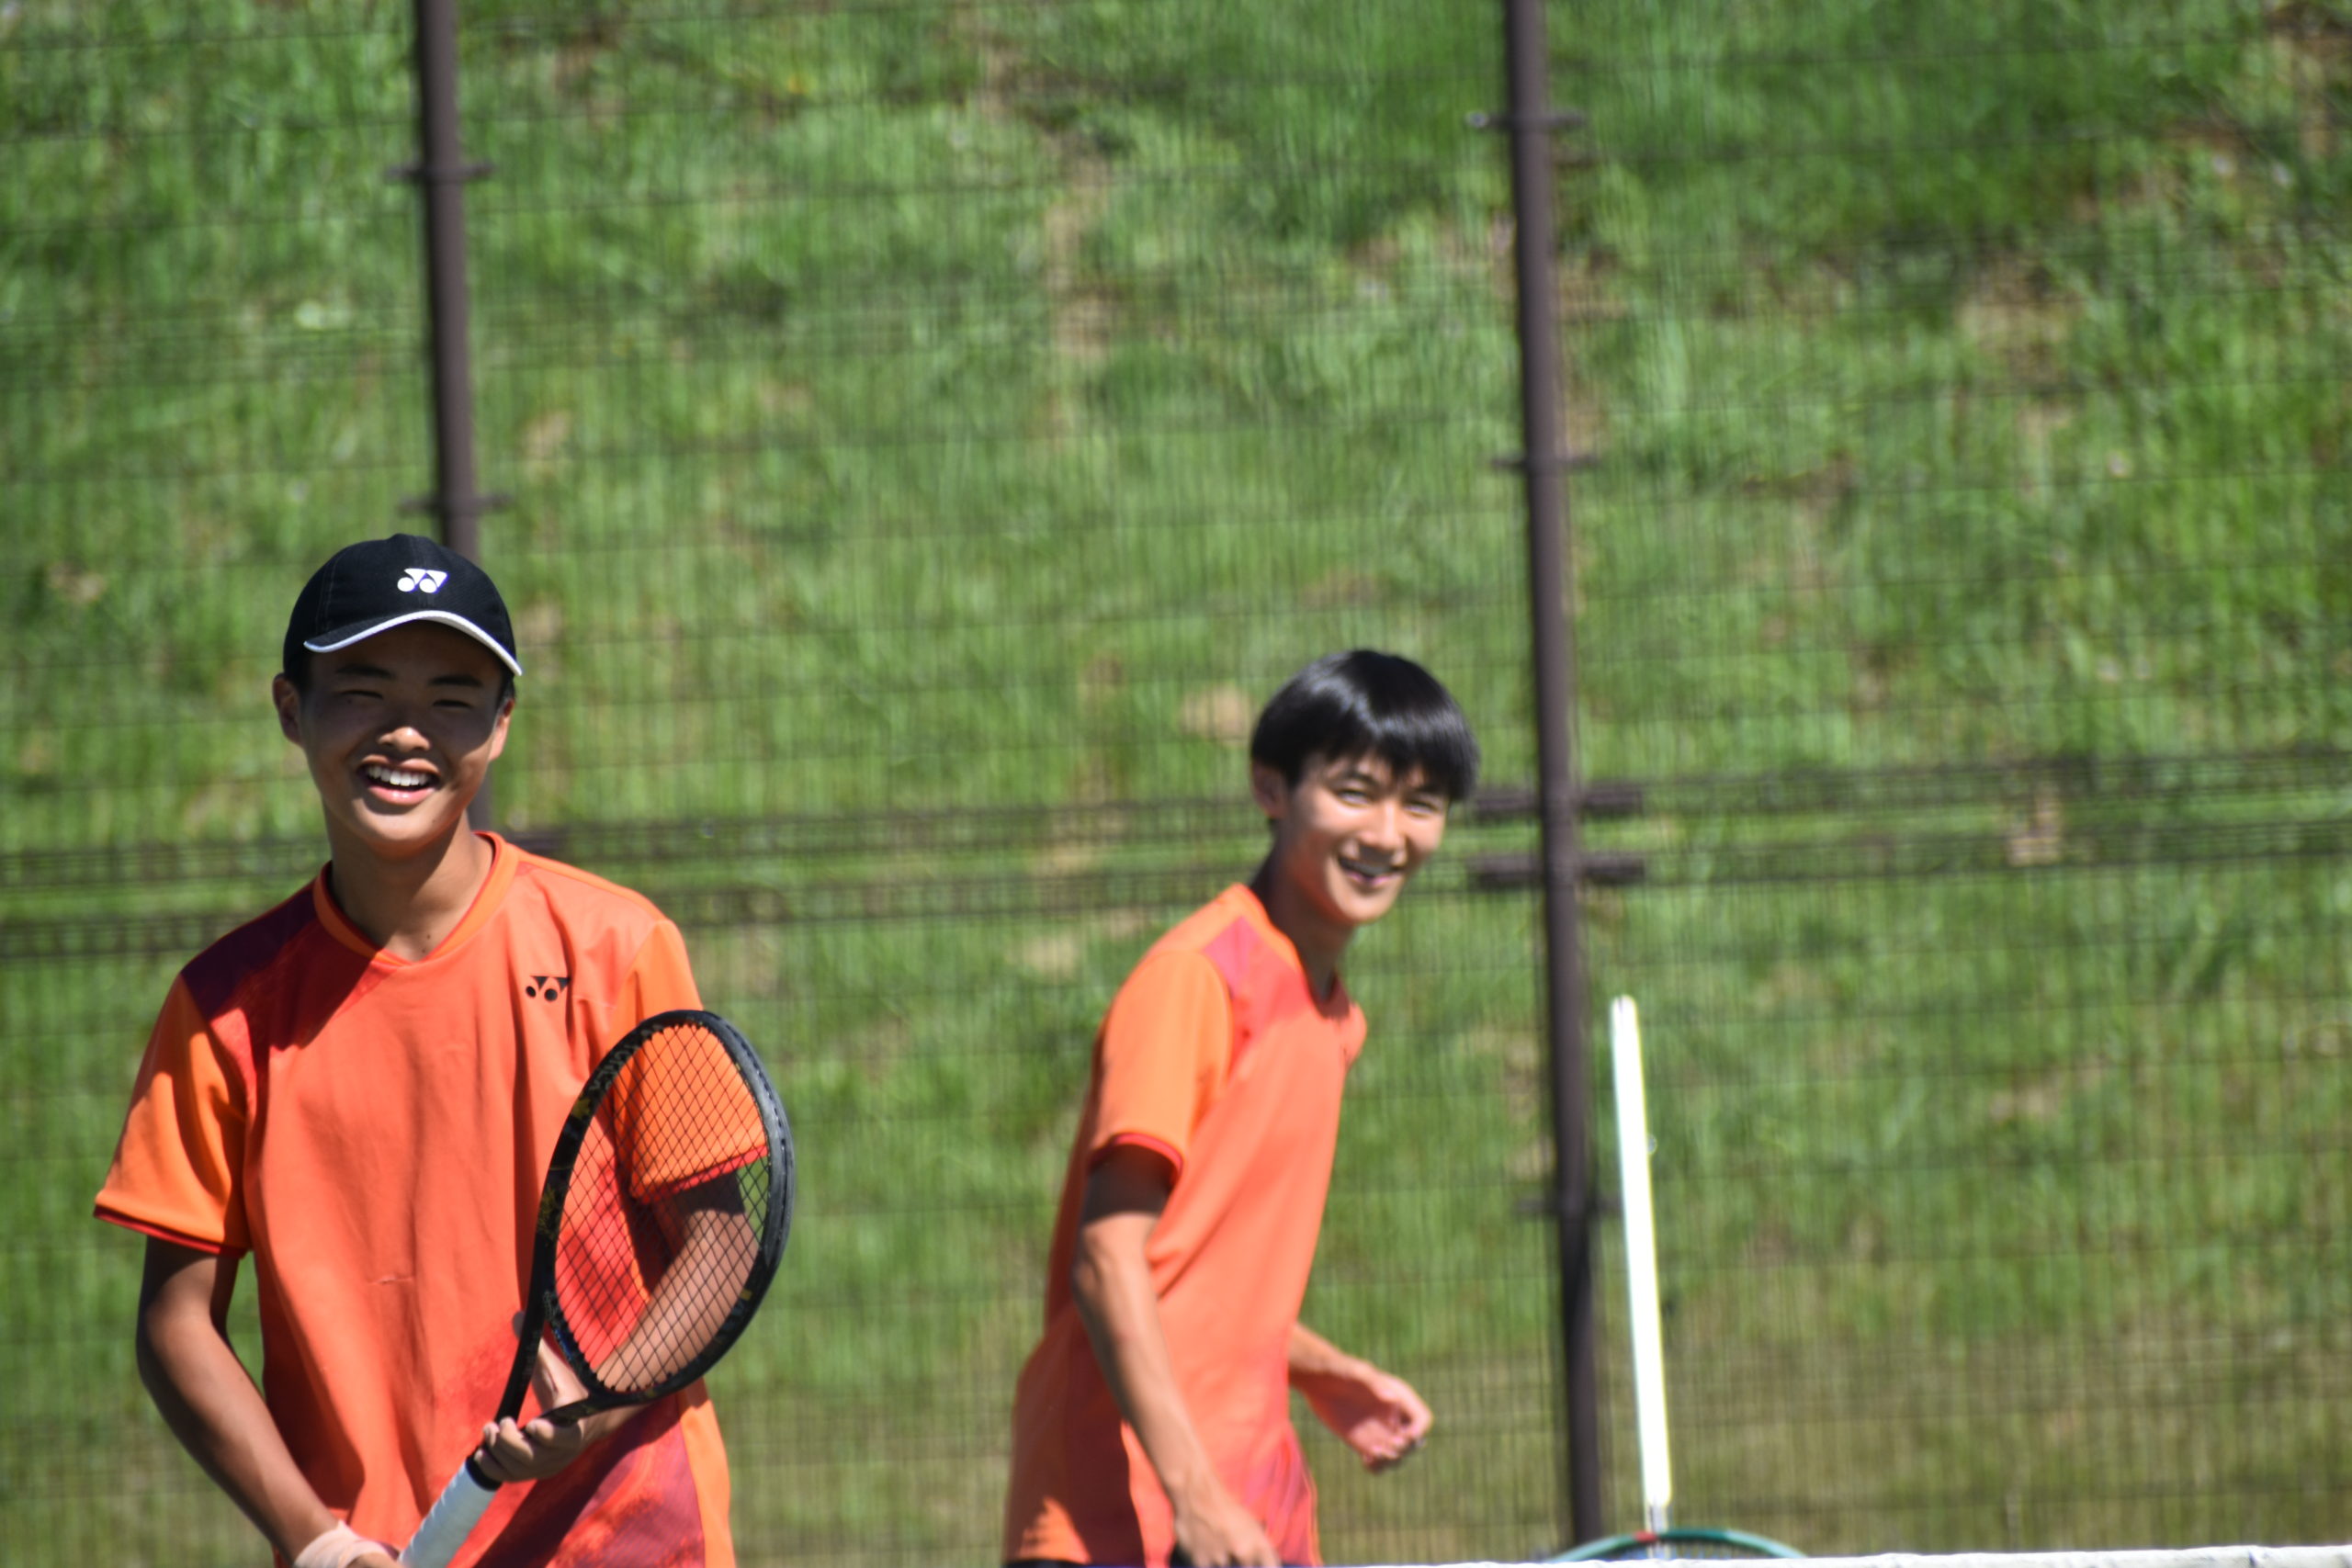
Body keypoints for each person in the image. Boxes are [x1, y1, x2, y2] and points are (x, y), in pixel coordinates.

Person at [95, 535, 739, 1568]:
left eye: (451, 697)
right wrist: (319, 1543)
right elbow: (176, 1326)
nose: (405, 732)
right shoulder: (221, 1009)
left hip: (632, 1541)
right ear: (291, 708)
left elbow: (721, 1245)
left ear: (502, 722)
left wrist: (600, 1401)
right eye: (362, 691)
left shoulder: (617, 947)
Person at [1001, 649, 1481, 1568]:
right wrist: (1196, 1496)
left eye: (1420, 804)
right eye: (1355, 792)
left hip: (1254, 1507)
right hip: (1122, 1511)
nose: (1387, 833)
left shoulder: (1332, 1016)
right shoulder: (1197, 981)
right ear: (1271, 787)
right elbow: (1109, 1259)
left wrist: (1321, 1370)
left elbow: (1197, 1278)